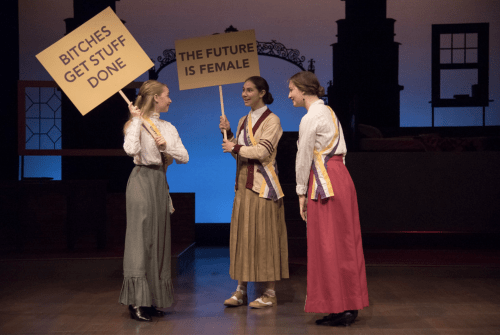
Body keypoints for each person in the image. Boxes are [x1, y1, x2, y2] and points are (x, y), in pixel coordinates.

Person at [288, 71, 369, 326]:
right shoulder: (330, 112)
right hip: (340, 177)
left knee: (327, 244)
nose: (290, 94)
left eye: (291, 89)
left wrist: (301, 191)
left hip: (325, 181)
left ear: (303, 90)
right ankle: (346, 304)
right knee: (344, 242)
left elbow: (303, 158)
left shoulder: (310, 118)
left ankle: (340, 306)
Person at [119, 80, 189, 322]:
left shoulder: (167, 127)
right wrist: (137, 120)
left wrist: (166, 145)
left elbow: (184, 156)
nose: (170, 100)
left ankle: (150, 300)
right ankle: (136, 302)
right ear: (155, 98)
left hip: (160, 181)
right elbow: (131, 149)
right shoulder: (135, 124)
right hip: (141, 180)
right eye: (167, 95)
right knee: (140, 238)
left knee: (158, 239)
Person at [219, 76, 289, 309]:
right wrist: (228, 135)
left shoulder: (273, 120)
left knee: (265, 238)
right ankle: (241, 290)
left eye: (249, 90)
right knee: (243, 237)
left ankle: (269, 292)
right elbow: (239, 155)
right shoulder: (242, 120)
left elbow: (262, 152)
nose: (244, 94)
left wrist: (235, 146)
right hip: (243, 187)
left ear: (262, 92)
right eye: (243, 90)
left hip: (263, 187)